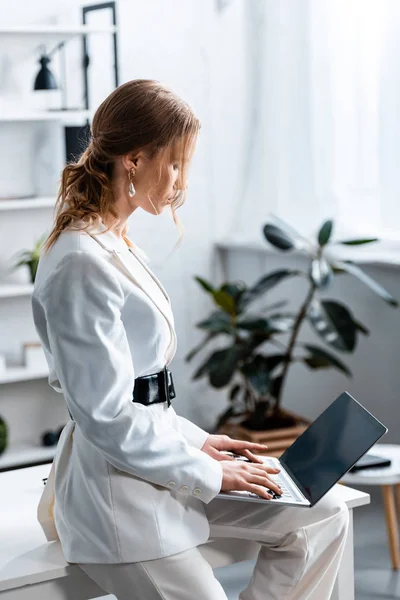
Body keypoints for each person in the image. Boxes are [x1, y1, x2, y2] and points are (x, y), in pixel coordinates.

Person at [31, 79, 349, 600]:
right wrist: (209, 471)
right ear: (134, 160)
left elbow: (143, 390)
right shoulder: (80, 264)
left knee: (324, 512)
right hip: (119, 499)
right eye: (174, 163)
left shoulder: (114, 242)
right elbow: (107, 416)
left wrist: (200, 441)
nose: (180, 182)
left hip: (163, 460)